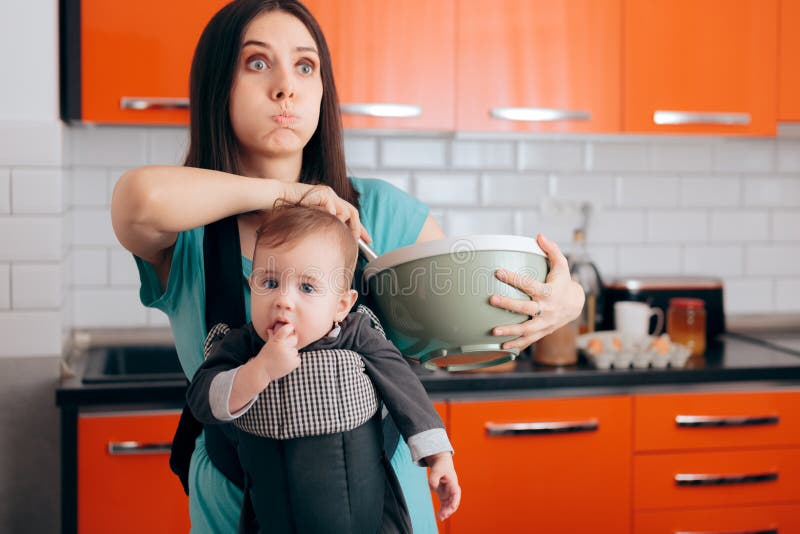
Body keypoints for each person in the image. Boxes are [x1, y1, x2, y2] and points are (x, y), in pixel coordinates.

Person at [110, 0, 585, 532]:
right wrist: (288, 196)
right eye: (258, 63)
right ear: (218, 84)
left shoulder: (381, 213)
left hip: (378, 501)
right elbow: (138, 198)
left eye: (305, 66)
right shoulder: (186, 232)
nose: (286, 87)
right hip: (234, 509)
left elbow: (469, 315)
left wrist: (569, 300)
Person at [187, 204, 460, 532]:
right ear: (252, 284)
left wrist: (438, 454)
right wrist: (258, 371)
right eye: (270, 282)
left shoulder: (358, 335)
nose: (283, 300)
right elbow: (203, 400)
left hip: (365, 514)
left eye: (307, 288)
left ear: (341, 305)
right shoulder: (241, 346)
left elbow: (405, 389)